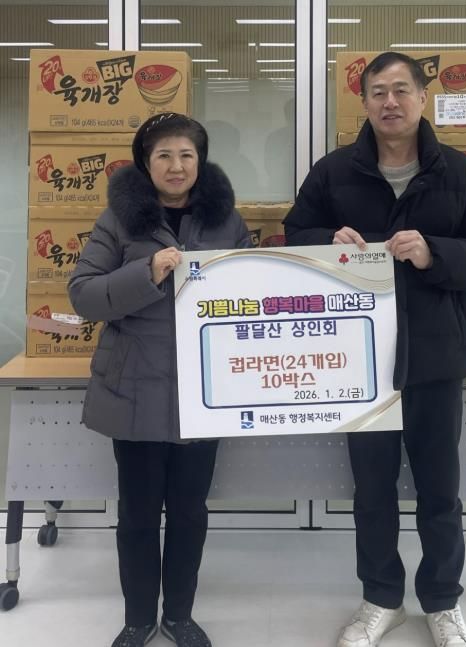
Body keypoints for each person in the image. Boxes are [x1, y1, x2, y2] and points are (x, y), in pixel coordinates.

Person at [284, 52, 466, 647]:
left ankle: (442, 602)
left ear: (422, 98)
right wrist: (326, 241)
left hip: (437, 357)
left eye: (401, 90)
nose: (390, 102)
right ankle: (381, 600)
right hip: (359, 360)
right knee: (372, 492)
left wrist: (435, 253)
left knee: (440, 490)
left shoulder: (462, 174)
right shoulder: (333, 172)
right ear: (364, 102)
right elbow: (294, 235)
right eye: (378, 92)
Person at [69, 112, 251, 647]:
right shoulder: (119, 221)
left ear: (201, 161)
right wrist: (144, 274)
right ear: (146, 164)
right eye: (164, 155)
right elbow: (83, 295)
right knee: (139, 514)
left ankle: (180, 615)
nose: (176, 166)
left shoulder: (226, 222)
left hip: (204, 391)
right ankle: (138, 619)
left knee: (190, 513)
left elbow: (252, 290)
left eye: (186, 155)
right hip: (136, 390)